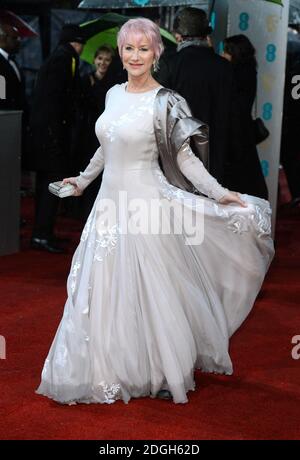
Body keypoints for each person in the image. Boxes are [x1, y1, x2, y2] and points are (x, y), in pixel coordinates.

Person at [36, 18, 274, 405]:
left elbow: (186, 159)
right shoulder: (113, 94)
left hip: (147, 203)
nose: (134, 56)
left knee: (155, 288)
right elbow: (106, 145)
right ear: (121, 52)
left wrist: (219, 192)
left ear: (156, 53)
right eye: (128, 48)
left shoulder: (167, 101)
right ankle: (110, 368)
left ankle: (164, 370)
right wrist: (81, 180)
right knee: (105, 286)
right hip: (108, 205)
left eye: (143, 49)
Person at [156, 7, 239, 184]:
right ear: (205, 35)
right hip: (217, 158)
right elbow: (235, 118)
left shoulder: (170, 65)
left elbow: (158, 115)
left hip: (179, 159)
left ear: (178, 35)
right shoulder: (225, 68)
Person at [29, 24, 86, 253]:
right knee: (51, 184)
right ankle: (41, 234)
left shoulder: (59, 58)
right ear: (78, 42)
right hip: (52, 136)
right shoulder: (64, 60)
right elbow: (56, 101)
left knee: (47, 184)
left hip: (47, 135)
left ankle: (43, 231)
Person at [222, 34, 269, 200]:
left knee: (241, 176)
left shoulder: (238, 72)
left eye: (226, 51)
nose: (223, 55)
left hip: (238, 132)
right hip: (243, 130)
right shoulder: (247, 69)